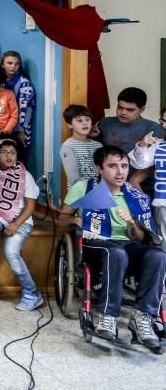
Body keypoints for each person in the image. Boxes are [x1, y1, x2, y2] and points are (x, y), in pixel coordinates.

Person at [58, 145, 166, 348]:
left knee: (157, 255)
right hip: (96, 243)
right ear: (100, 168)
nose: (120, 171)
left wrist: (132, 224)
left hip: (126, 244)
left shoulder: (134, 195)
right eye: (113, 166)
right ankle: (107, 314)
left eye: (124, 166)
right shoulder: (85, 188)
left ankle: (143, 317)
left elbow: (141, 237)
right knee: (116, 253)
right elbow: (61, 220)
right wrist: (75, 221)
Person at [0, 139, 41, 311]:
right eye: (4, 152)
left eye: (13, 153)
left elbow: (30, 207)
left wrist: (14, 225)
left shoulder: (25, 176)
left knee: (11, 252)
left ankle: (32, 293)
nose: (9, 156)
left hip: (21, 220)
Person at [97, 87, 164, 153]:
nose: (123, 112)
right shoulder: (105, 123)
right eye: (120, 107)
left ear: (142, 109)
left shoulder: (154, 129)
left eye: (130, 110)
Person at [60, 105, 102, 188]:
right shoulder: (67, 146)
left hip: (98, 191)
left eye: (87, 119)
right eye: (79, 120)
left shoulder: (98, 145)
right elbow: (73, 177)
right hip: (78, 192)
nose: (84, 123)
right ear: (69, 125)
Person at [1, 51, 36, 147]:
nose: (13, 66)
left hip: (18, 128)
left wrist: (22, 130)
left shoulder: (24, 83)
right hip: (0, 126)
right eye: (9, 63)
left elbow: (28, 109)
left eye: (17, 64)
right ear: (2, 64)